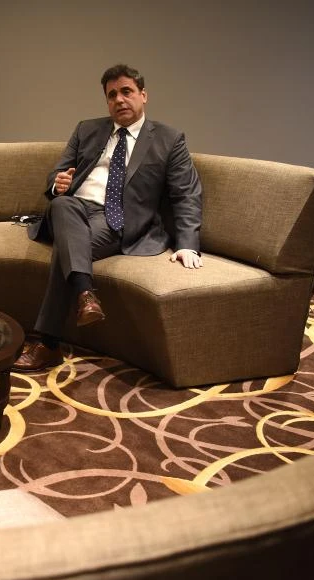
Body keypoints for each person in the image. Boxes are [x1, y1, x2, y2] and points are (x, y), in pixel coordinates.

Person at [15, 63, 204, 371]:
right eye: (112, 95)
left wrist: (187, 244)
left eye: (126, 91)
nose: (119, 99)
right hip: (73, 208)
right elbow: (58, 174)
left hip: (115, 219)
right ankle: (85, 295)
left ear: (143, 95)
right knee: (62, 205)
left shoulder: (169, 140)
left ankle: (48, 344)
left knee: (68, 247)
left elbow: (186, 194)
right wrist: (58, 184)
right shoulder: (86, 129)